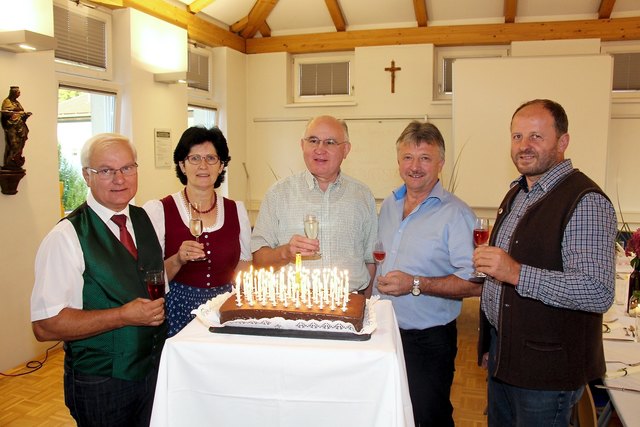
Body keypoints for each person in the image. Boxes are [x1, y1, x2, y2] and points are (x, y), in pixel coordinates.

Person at [475, 99, 617, 426]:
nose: (524, 146)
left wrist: (515, 272)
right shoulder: (518, 194)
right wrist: (491, 344)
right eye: (516, 136)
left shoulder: (585, 201)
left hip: (547, 372)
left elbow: (596, 291)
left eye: (536, 137)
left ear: (562, 142)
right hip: (506, 358)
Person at [30, 133, 166, 427]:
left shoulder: (143, 219)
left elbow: (139, 280)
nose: (120, 179)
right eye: (106, 171)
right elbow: (44, 325)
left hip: (152, 371)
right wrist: (122, 315)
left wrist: (177, 262)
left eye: (127, 168)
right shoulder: (66, 237)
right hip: (102, 381)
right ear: (86, 176)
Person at [374, 121, 481, 427]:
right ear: (398, 163)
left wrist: (415, 284)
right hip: (384, 332)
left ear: (440, 164)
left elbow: (475, 284)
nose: (415, 166)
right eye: (408, 157)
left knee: (429, 416)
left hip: (428, 340)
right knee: (391, 413)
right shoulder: (388, 207)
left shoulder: (458, 214)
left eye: (425, 158)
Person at [144, 126, 252, 337]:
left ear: (221, 165)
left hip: (223, 308)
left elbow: (243, 265)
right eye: (194, 158)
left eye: (211, 158)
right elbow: (151, 278)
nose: (203, 165)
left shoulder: (235, 210)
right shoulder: (159, 210)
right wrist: (177, 259)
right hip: (177, 311)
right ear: (182, 165)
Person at [251, 115, 377, 293]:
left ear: (346, 150)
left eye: (330, 142)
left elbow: (370, 260)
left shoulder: (362, 196)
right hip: (291, 306)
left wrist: (365, 303)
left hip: (349, 305)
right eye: (313, 140)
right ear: (302, 145)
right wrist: (286, 252)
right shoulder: (278, 194)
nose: (320, 149)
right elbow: (258, 259)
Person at [1, 86, 32, 170]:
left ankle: (16, 161)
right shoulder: (7, 101)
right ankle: (10, 162)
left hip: (20, 127)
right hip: (12, 127)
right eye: (18, 92)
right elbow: (5, 114)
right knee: (13, 144)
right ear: (13, 93)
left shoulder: (17, 102)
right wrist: (15, 110)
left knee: (20, 144)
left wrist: (25, 115)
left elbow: (21, 113)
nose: (19, 94)